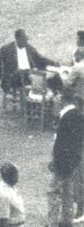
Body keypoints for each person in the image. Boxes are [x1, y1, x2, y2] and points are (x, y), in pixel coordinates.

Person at [49, 94, 84, 227]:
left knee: (54, 192)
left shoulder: (68, 117)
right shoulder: (77, 117)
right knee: (68, 193)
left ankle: (53, 222)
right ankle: (66, 221)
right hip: (73, 161)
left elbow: (60, 143)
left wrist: (54, 160)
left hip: (63, 161)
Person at [0, 30, 55, 94]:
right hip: (14, 77)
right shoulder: (7, 49)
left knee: (51, 77)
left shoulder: (29, 48)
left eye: (26, 40)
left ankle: (51, 98)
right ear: (17, 39)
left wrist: (53, 63)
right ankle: (36, 97)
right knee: (34, 79)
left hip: (29, 74)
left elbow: (40, 58)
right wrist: (1, 77)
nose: (25, 42)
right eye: (23, 40)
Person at [0, 162, 25, 227]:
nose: (18, 176)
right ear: (11, 176)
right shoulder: (3, 194)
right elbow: (3, 221)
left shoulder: (9, 186)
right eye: (17, 174)